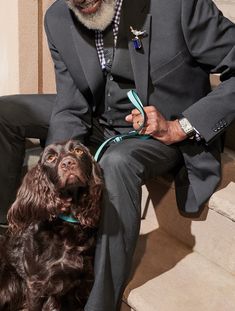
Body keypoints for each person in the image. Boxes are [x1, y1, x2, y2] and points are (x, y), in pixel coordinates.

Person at [0, 0, 235, 310]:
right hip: (98, 120)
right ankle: (9, 237)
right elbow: (72, 105)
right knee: (6, 112)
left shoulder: (179, 5)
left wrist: (181, 126)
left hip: (161, 132)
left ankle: (100, 303)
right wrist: (59, 168)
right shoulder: (58, 16)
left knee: (117, 162)